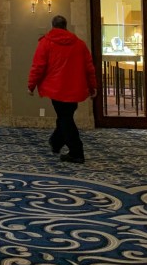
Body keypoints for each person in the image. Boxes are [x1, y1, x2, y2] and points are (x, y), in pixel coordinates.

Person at [28, 14, 96, 165]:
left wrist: (31, 85)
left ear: (52, 26)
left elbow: (38, 66)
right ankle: (56, 141)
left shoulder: (45, 43)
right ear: (66, 26)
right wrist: (93, 87)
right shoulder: (79, 44)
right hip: (75, 88)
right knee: (66, 116)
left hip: (56, 88)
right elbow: (89, 68)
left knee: (65, 118)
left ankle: (76, 152)